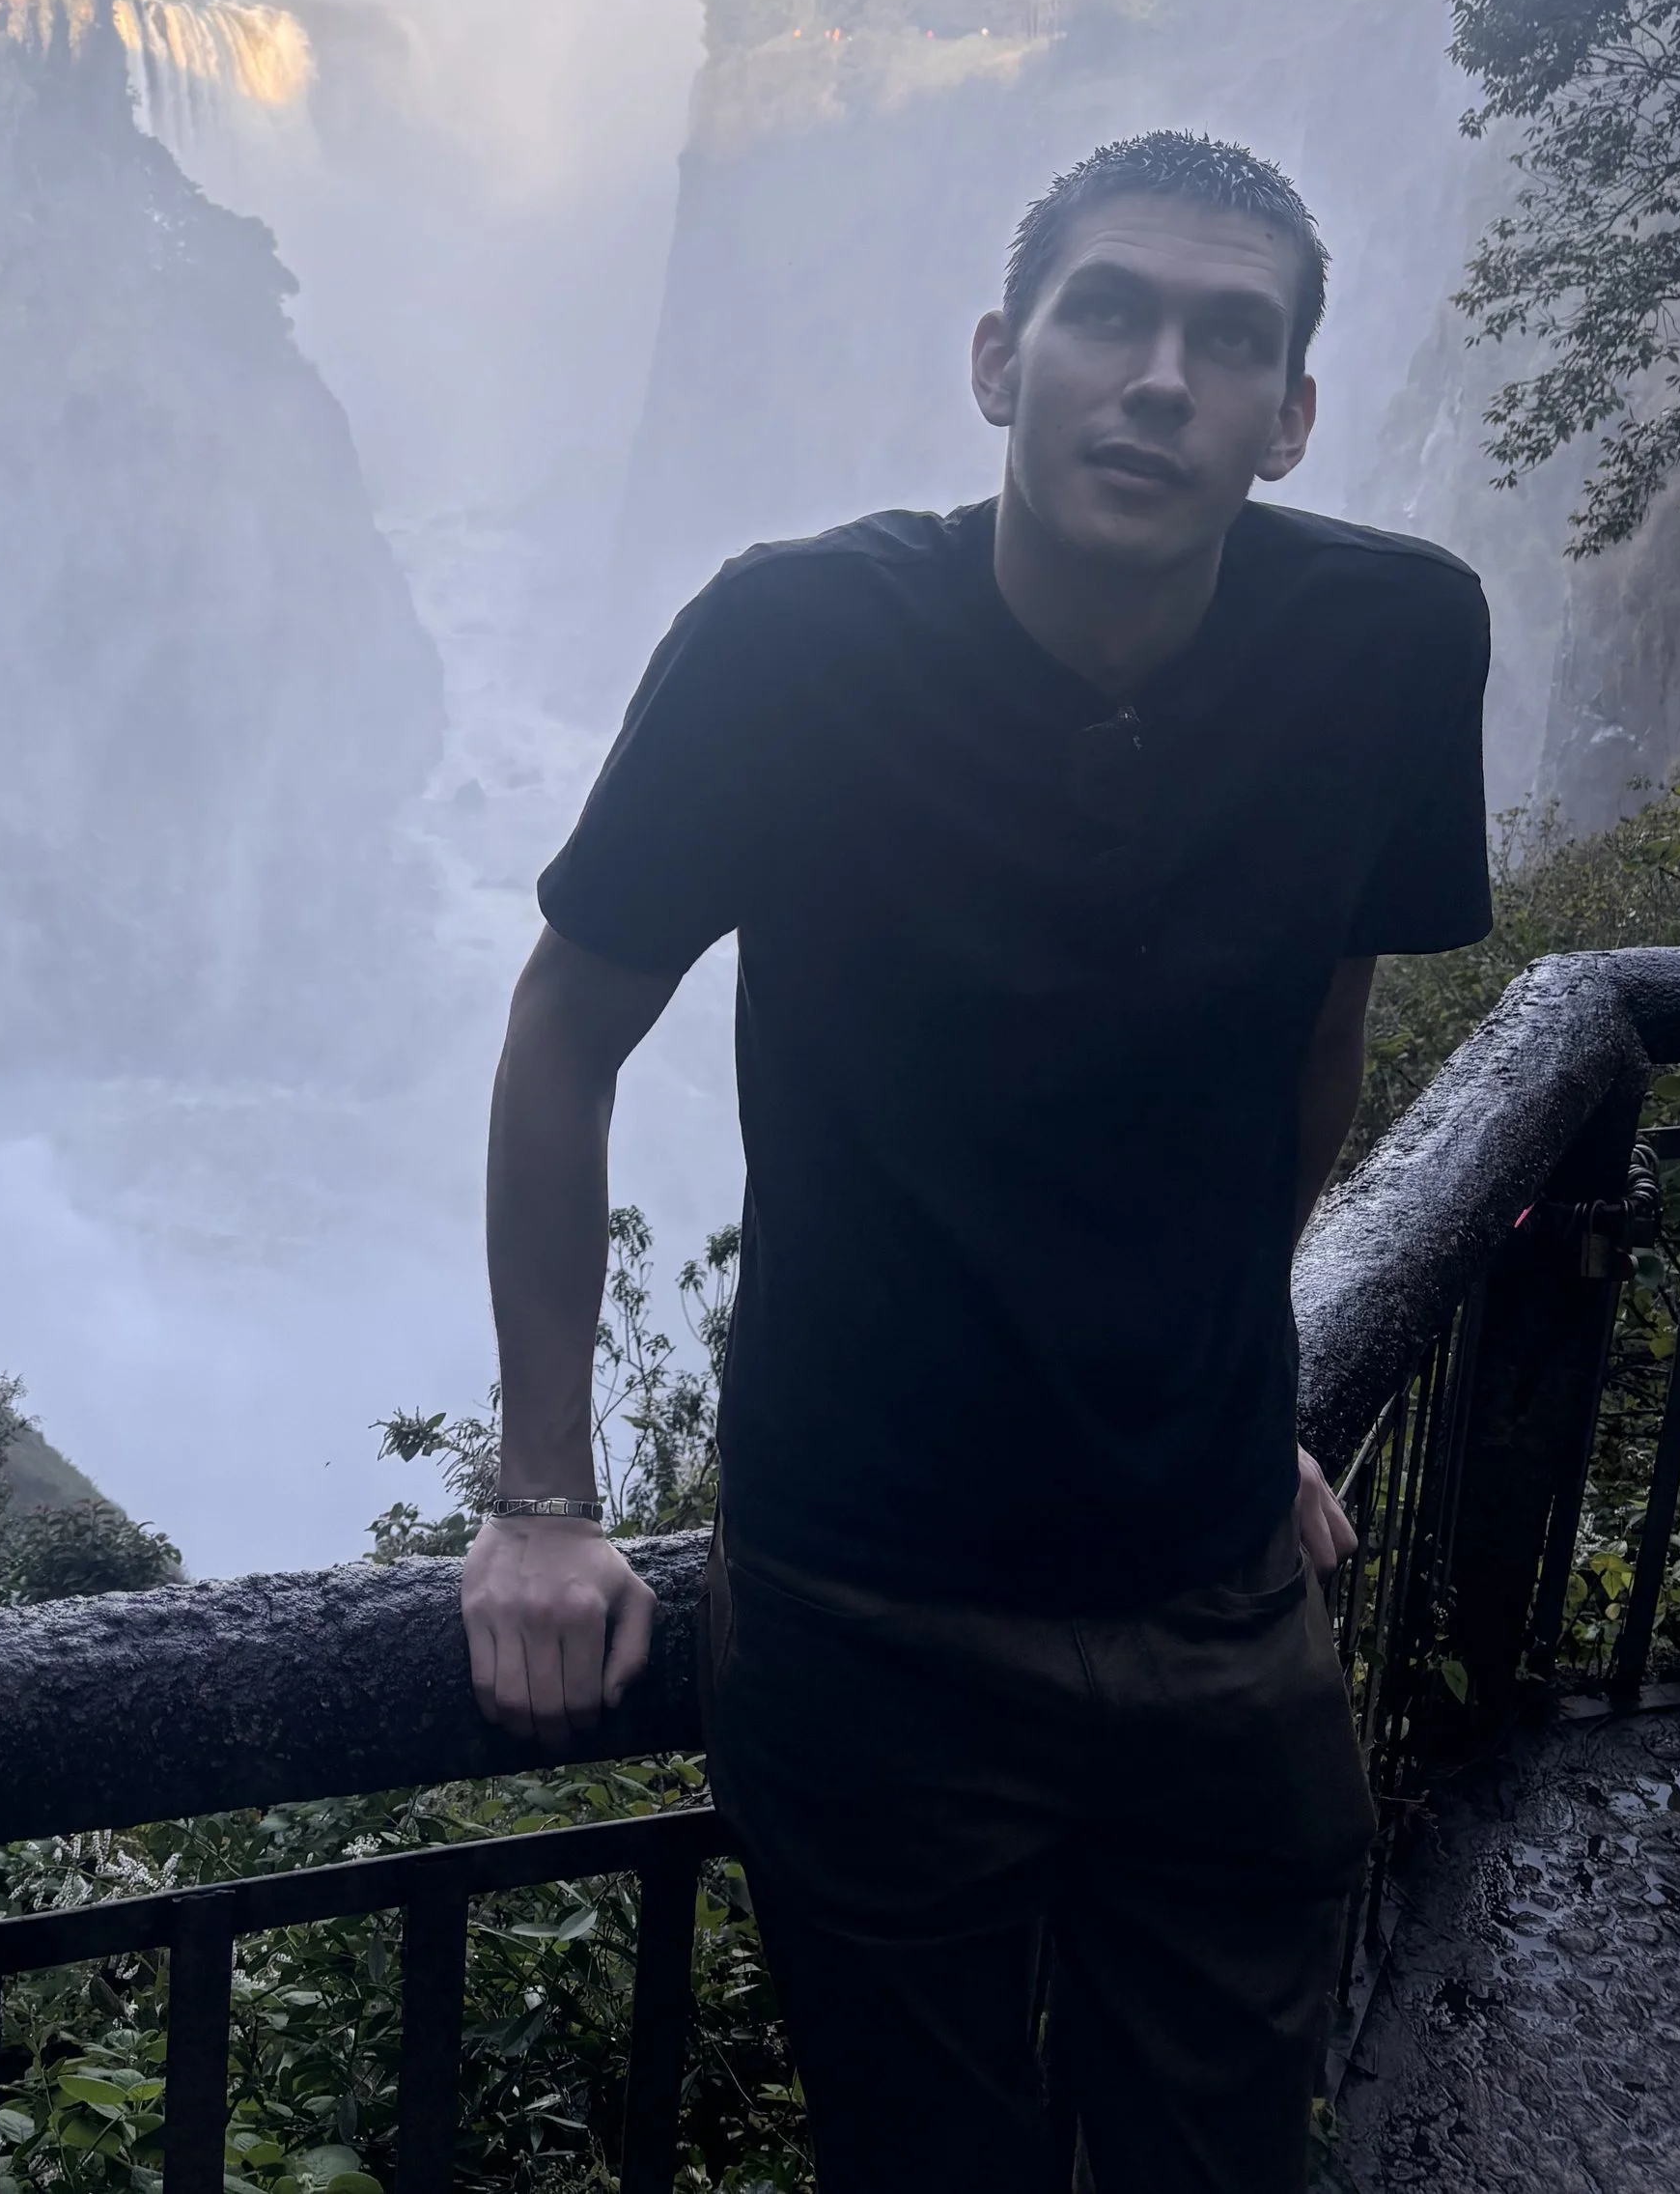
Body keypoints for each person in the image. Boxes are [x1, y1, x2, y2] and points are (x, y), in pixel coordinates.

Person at [457, 129, 1492, 2194]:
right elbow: (563, 1027)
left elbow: (1311, 1024)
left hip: (1212, 1596)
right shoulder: (789, 646)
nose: (1156, 376)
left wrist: (1220, 1369)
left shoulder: (1388, 645)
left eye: (1226, 341)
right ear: (997, 359)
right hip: (869, 1606)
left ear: (1285, 419)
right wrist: (547, 1496)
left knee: (1220, 2156)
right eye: (1107, 311)